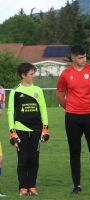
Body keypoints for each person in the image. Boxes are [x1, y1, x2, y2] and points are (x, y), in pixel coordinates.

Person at [56, 45, 90, 195]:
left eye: (85, 57)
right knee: (74, 151)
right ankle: (76, 186)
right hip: (72, 117)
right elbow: (60, 95)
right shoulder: (65, 74)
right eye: (80, 57)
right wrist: (71, 108)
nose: (83, 60)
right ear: (73, 58)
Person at [7, 62, 49, 196]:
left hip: (37, 130)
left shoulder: (38, 90)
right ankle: (23, 187)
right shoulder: (15, 92)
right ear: (23, 75)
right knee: (23, 159)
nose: (34, 76)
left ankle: (32, 187)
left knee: (34, 159)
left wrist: (45, 129)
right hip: (20, 130)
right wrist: (12, 132)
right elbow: (10, 112)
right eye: (31, 74)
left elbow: (43, 109)